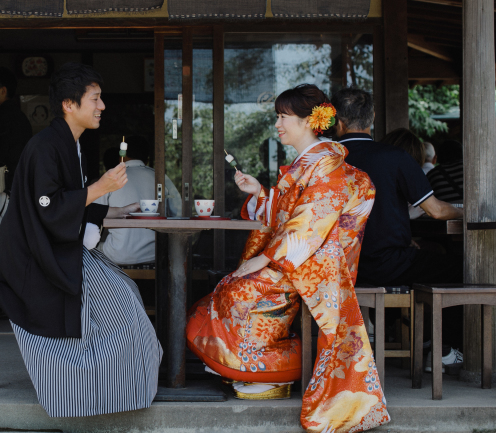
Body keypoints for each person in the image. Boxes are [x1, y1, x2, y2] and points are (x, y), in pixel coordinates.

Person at [186, 85, 389, 433]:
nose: (278, 124)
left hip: (319, 264)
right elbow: (288, 214)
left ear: (309, 121)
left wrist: (265, 258)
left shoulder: (328, 167)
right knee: (230, 286)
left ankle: (273, 368)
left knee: (241, 293)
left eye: (283, 117)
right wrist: (260, 194)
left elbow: (310, 224)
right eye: (278, 116)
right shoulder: (310, 163)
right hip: (302, 257)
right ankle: (247, 364)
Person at [0, 63, 162, 418]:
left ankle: (120, 387)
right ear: (69, 104)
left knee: (126, 296)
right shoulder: (45, 146)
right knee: (122, 307)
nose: (102, 106)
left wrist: (114, 211)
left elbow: (69, 204)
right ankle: (84, 392)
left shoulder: (69, 144)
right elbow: (49, 207)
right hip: (33, 257)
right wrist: (101, 189)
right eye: (95, 99)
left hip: (55, 247)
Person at [332, 88, 464, 369]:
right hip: (388, 264)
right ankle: (441, 348)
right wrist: (464, 209)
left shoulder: (325, 159)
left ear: (338, 122)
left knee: (422, 260)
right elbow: (438, 211)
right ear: (373, 118)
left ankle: (410, 337)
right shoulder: (394, 157)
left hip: (336, 267)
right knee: (460, 268)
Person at [95, 135, 182, 266]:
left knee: (88, 250)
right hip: (155, 254)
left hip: (117, 255)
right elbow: (178, 213)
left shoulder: (111, 179)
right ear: (147, 160)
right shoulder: (161, 178)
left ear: (121, 157)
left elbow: (95, 215)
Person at [0, 67, 33, 246]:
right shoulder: (19, 117)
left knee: (1, 239)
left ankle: (4, 274)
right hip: (15, 187)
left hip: (3, 186)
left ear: (3, 91)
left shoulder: (3, 118)